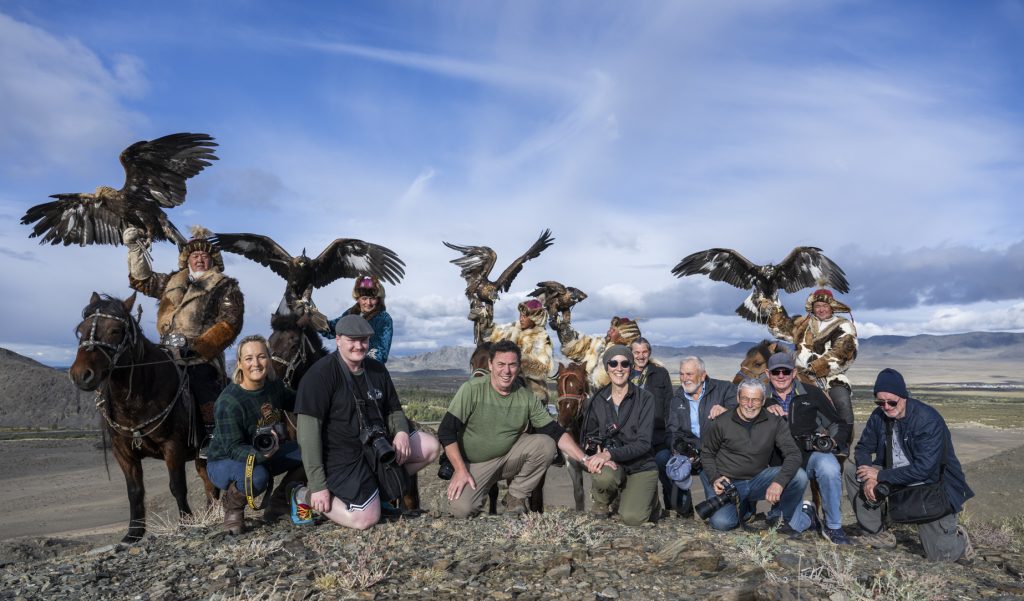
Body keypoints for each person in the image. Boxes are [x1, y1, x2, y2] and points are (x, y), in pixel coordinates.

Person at [293, 315, 440, 530]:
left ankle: (375, 494)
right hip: (341, 457)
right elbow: (308, 434)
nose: (358, 346)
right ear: (338, 339)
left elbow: (393, 408)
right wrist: (317, 485)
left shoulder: (376, 370)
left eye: (363, 340)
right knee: (365, 520)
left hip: (374, 448)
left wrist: (400, 432)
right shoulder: (320, 375)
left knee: (430, 447)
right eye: (352, 340)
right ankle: (302, 495)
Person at [439, 339, 592, 518]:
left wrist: (585, 459)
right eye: (501, 364)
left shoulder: (525, 397)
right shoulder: (471, 390)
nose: (506, 371)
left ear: (519, 367)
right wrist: (460, 470)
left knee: (546, 444)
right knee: (461, 510)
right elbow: (446, 430)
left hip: (508, 460)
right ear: (490, 364)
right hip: (475, 464)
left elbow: (555, 432)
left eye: (512, 365)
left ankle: (515, 496)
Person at [125, 226, 244, 453]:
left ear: (213, 260)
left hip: (201, 356)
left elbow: (230, 323)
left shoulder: (225, 286)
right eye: (194, 255)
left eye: (204, 256)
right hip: (166, 351)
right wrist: (134, 248)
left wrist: (201, 347)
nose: (199, 259)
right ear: (187, 260)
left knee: (202, 383)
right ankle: (132, 429)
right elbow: (143, 281)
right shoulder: (172, 281)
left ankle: (212, 437)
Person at [846, 368, 975, 562]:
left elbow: (925, 470)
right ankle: (877, 532)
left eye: (891, 402)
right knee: (851, 469)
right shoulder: (878, 416)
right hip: (894, 475)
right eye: (880, 402)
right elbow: (863, 447)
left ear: (903, 396)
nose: (886, 407)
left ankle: (959, 539)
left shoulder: (927, 420)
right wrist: (868, 476)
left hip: (930, 485)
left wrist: (879, 476)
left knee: (941, 556)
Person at [206, 335, 305, 534]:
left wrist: (324, 394)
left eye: (261, 356)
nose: (256, 363)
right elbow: (232, 448)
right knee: (258, 476)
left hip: (268, 450)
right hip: (225, 461)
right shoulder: (229, 402)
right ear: (240, 363)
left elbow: (299, 401)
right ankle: (232, 509)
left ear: (269, 359)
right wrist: (261, 456)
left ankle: (278, 503)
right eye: (249, 358)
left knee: (310, 453)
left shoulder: (274, 387)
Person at [701, 379, 814, 534]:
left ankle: (787, 517)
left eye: (755, 400)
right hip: (729, 484)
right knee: (722, 523)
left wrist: (778, 483)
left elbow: (793, 454)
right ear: (737, 399)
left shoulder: (774, 422)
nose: (749, 404)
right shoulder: (721, 422)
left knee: (799, 476)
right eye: (745, 399)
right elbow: (707, 454)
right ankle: (746, 508)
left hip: (758, 479)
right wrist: (715, 478)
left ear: (763, 401)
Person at [763, 352, 851, 544]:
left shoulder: (812, 394)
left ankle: (834, 527)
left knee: (829, 466)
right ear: (767, 374)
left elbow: (838, 424)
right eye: (775, 372)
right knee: (787, 526)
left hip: (809, 457)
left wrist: (833, 441)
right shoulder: (759, 397)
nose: (780, 376)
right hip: (779, 465)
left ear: (794, 372)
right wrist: (765, 407)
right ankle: (807, 515)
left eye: (785, 371)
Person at [759, 288, 858, 435]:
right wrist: (772, 310)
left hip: (830, 377)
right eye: (817, 306)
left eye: (825, 306)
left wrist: (815, 368)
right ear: (813, 308)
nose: (821, 309)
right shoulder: (804, 323)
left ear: (832, 307)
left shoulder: (843, 326)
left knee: (842, 400)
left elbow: (843, 352)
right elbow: (781, 328)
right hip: (796, 374)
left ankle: (843, 440)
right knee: (765, 391)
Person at [583, 345, 659, 525]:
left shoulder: (645, 398)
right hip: (613, 464)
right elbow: (590, 436)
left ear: (631, 367)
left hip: (641, 465)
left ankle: (651, 500)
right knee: (603, 475)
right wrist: (595, 453)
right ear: (607, 368)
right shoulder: (597, 400)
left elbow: (644, 444)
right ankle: (602, 501)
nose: (619, 368)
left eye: (625, 364)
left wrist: (608, 453)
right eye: (613, 363)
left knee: (632, 519)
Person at [663, 356, 737, 516]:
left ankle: (743, 509)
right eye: (681, 374)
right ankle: (683, 509)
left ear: (703, 376)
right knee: (666, 461)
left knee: (719, 517)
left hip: (718, 454)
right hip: (692, 453)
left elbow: (743, 416)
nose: (684, 379)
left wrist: (726, 412)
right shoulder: (678, 398)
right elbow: (672, 431)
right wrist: (680, 449)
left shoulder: (725, 389)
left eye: (689, 374)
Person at [479, 298, 555, 404]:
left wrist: (519, 359)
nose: (521, 319)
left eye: (525, 316)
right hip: (505, 378)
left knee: (534, 400)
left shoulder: (541, 338)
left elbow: (542, 369)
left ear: (535, 318)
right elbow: (490, 336)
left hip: (532, 388)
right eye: (520, 315)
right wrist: (483, 320)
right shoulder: (511, 328)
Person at [554, 313, 642, 389]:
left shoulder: (627, 356)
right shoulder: (601, 344)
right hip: (595, 398)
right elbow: (578, 348)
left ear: (623, 336)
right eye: (610, 328)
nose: (608, 332)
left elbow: (604, 382)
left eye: (613, 330)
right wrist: (563, 329)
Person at [323, 275, 393, 364]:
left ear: (378, 299)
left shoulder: (384, 319)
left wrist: (358, 363)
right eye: (364, 298)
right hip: (342, 365)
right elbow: (331, 329)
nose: (368, 303)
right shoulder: (350, 313)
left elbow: (381, 352)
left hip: (367, 368)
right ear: (358, 299)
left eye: (372, 298)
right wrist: (312, 317)